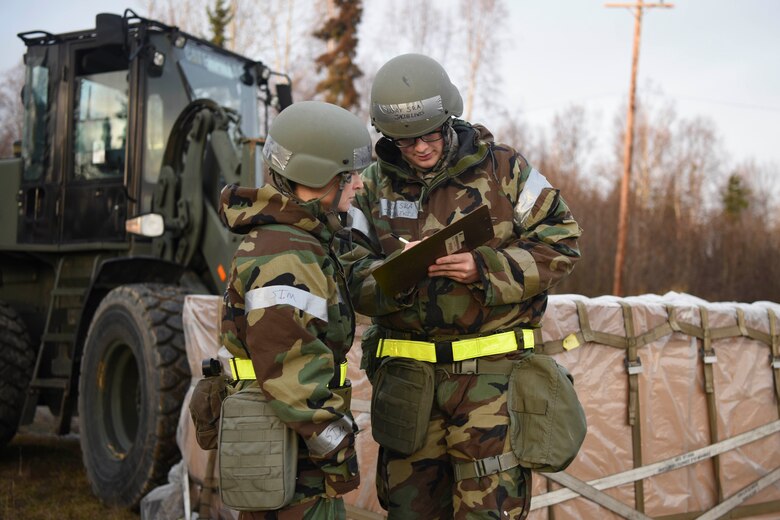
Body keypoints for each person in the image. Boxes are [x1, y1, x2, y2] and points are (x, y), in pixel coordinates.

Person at [340, 54, 583, 519]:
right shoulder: (370, 187)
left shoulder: (505, 170)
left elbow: (563, 242)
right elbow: (349, 273)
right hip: (409, 386)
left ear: (449, 117)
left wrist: (485, 270)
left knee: (490, 510)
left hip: (490, 383)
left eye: (429, 135)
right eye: (404, 141)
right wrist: (399, 274)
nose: (420, 149)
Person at [219, 100, 372, 519]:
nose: (359, 185)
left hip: (283, 441)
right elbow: (293, 373)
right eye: (350, 176)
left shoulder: (297, 240)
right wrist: (338, 451)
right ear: (319, 179)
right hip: (293, 453)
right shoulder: (287, 255)